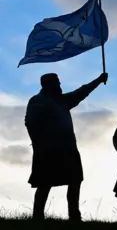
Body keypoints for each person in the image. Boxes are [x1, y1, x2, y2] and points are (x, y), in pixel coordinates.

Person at [25, 72, 108, 221]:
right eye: (56, 82)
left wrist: (99, 80)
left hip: (67, 148)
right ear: (47, 84)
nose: (59, 85)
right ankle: (37, 216)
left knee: (75, 180)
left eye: (58, 82)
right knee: (45, 183)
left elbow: (81, 92)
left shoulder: (62, 100)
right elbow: (30, 123)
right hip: (48, 149)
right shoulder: (38, 101)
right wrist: (38, 144)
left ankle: (74, 216)